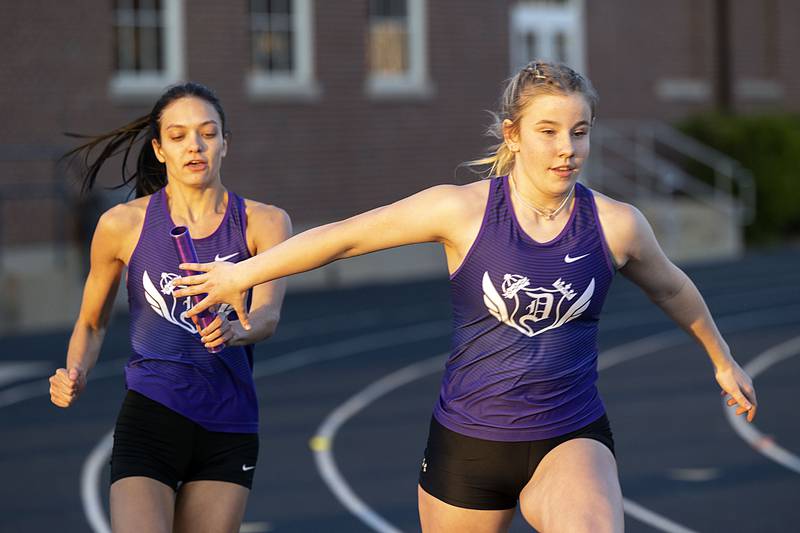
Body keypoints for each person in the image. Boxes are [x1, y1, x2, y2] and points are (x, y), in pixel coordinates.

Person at [172, 62, 757, 533]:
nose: (567, 150)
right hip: (469, 444)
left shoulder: (615, 225)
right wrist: (240, 274)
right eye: (549, 132)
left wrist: (722, 359)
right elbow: (342, 239)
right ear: (514, 135)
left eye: (580, 133)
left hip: (568, 434)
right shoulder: (463, 210)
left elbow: (674, 287)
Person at [48, 82, 291, 533]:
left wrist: (238, 331)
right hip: (152, 414)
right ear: (159, 150)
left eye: (207, 133)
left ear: (225, 144)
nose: (194, 146)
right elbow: (91, 322)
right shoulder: (123, 225)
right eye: (178, 136)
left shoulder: (265, 222)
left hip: (229, 422)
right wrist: (74, 369)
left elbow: (268, 314)